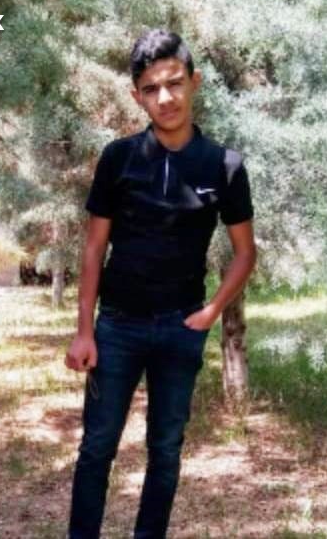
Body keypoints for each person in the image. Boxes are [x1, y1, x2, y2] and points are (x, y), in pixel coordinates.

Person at [65, 28, 257, 539]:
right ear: (137, 96)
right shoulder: (119, 158)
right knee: (97, 448)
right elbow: (94, 248)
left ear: (194, 82)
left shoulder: (225, 166)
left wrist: (211, 311)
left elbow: (245, 253)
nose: (165, 98)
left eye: (174, 83)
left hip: (180, 329)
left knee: (166, 451)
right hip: (117, 328)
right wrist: (84, 330)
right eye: (151, 89)